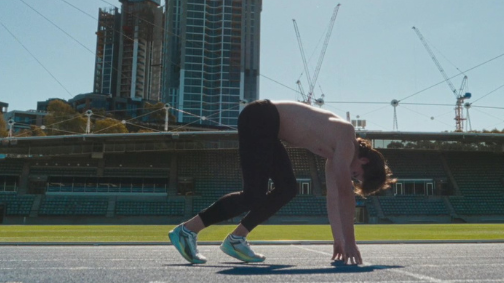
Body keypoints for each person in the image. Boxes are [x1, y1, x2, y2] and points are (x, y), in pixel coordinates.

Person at [168, 99, 394, 265]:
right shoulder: (346, 136)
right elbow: (346, 196)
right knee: (253, 195)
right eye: (356, 175)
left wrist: (339, 241)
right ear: (363, 161)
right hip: (261, 116)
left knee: (287, 189)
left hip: (268, 127)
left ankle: (237, 239)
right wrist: (352, 243)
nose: (351, 177)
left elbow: (334, 198)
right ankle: (187, 230)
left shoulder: (335, 156)